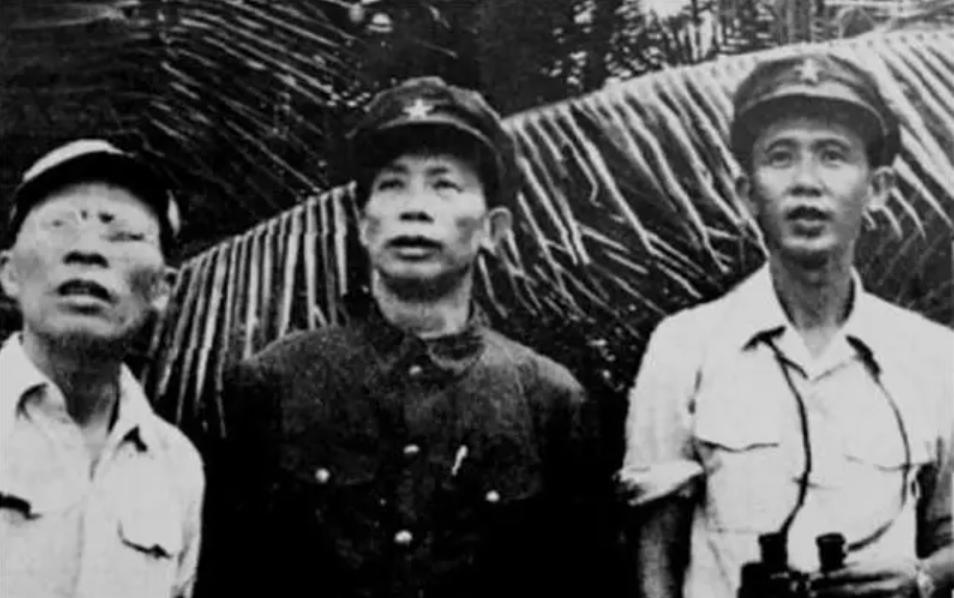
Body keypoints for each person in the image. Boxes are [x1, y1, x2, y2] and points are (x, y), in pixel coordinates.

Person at [202, 77, 609, 598]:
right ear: (362, 224)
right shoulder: (274, 382)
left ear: (493, 229)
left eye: (445, 185)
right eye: (392, 184)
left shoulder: (549, 401)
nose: (415, 207)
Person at [619, 53, 953, 598]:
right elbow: (656, 554)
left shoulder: (934, 357)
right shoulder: (685, 346)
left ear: (879, 188)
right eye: (780, 157)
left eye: (833, 156)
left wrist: (920, 579)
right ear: (746, 193)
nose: (806, 182)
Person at [0, 140, 204, 598]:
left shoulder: (177, 466)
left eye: (124, 235)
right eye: (59, 225)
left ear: (162, 289)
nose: (87, 250)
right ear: (9, 273)